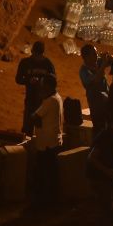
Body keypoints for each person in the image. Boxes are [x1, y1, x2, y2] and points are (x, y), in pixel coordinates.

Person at [30, 74, 63, 208]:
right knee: (51, 173)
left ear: (48, 86)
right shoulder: (57, 97)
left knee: (44, 174)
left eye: (43, 85)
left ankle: (45, 203)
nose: (41, 88)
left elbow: (34, 116)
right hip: (54, 141)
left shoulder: (50, 101)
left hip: (46, 144)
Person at [15, 41, 56, 136]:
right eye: (35, 55)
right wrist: (28, 81)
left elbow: (53, 81)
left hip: (43, 101)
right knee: (27, 126)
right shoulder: (25, 63)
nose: (37, 58)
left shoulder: (48, 64)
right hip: (30, 98)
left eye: (39, 55)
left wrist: (42, 82)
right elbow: (18, 79)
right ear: (32, 51)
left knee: (40, 128)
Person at [79, 45, 112, 138]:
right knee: (100, 130)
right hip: (96, 105)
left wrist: (108, 56)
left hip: (107, 101)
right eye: (94, 54)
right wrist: (104, 63)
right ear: (86, 57)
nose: (96, 55)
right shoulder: (83, 71)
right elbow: (96, 80)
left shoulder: (98, 61)